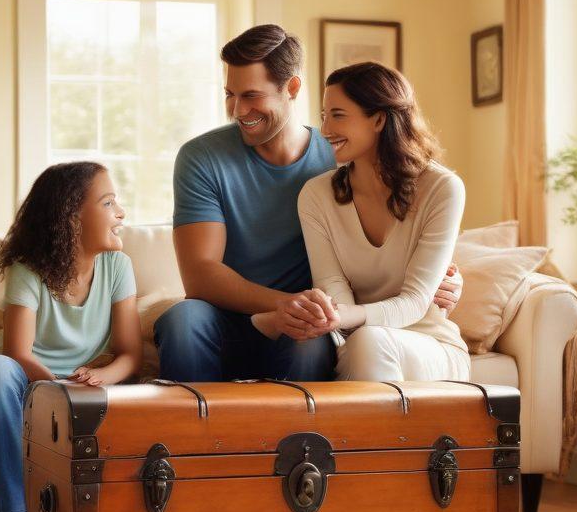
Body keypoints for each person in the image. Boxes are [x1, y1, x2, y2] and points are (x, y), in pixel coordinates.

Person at [154, 24, 461, 382]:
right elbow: (200, 275)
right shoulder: (202, 158)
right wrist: (286, 304)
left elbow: (403, 235)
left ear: (292, 88)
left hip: (308, 321)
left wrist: (446, 278)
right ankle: (191, 436)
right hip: (232, 316)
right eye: (229, 94)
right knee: (183, 320)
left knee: (310, 340)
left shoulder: (344, 157)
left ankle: (296, 438)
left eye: (251, 95)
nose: (237, 110)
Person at [0, 162, 141, 512]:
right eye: (108, 202)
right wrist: (60, 390)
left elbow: (130, 354)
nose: (121, 212)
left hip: (83, 380)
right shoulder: (28, 268)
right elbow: (16, 351)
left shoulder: (118, 268)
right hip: (23, 375)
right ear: (71, 217)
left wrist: (102, 378)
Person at [260, 62, 471, 382]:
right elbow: (331, 286)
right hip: (353, 341)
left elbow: (416, 302)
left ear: (379, 119)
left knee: (369, 343)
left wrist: (342, 317)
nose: (325, 129)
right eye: (323, 116)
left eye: (338, 115)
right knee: (360, 343)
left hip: (429, 344)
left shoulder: (442, 189)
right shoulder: (316, 196)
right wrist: (331, 316)